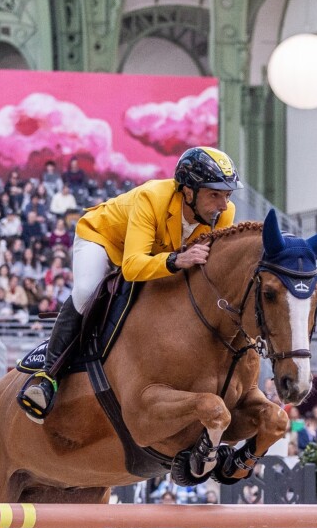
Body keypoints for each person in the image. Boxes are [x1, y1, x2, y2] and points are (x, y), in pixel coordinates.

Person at [16, 146, 239, 421]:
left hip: (155, 252)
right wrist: (174, 261)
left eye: (227, 195)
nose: (223, 205)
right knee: (87, 291)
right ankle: (47, 377)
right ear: (188, 191)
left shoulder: (223, 215)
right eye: (214, 194)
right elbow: (132, 267)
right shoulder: (152, 197)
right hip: (102, 238)